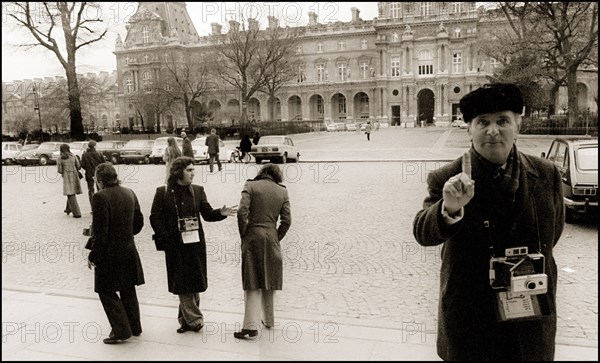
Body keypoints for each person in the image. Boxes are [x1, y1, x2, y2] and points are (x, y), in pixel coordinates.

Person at [412, 83, 564, 360]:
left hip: (531, 318)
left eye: (503, 121)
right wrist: (449, 208)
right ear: (469, 128)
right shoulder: (447, 177)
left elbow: (552, 236)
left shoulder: (547, 174)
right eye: (483, 122)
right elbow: (423, 232)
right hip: (472, 321)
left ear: (518, 124)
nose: (493, 131)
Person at [149, 157, 237, 334]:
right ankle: (195, 320)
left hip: (195, 244)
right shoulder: (163, 192)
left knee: (195, 282)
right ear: (178, 172)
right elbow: (154, 217)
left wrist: (221, 212)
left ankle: (185, 320)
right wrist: (166, 237)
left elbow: (207, 214)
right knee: (182, 282)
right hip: (175, 245)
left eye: (193, 170)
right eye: (189, 170)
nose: (193, 173)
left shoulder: (198, 191)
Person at [86, 162, 145, 344]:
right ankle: (135, 327)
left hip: (110, 253)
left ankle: (120, 330)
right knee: (128, 289)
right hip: (128, 249)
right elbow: (139, 222)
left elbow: (101, 232)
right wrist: (125, 233)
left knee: (105, 290)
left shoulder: (99, 197)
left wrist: (93, 254)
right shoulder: (129, 192)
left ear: (99, 180)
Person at [234, 164, 292, 340]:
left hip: (252, 236)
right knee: (269, 277)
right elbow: (287, 220)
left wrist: (244, 233)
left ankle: (250, 327)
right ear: (276, 177)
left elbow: (241, 212)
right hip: (271, 236)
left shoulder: (250, 185)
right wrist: (276, 236)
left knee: (251, 280)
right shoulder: (282, 191)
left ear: (261, 173)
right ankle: (268, 319)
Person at [57, 143, 82, 218]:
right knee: (71, 191)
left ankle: (77, 213)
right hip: (74, 175)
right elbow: (78, 166)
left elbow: (60, 170)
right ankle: (68, 209)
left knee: (70, 193)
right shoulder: (73, 156)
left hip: (67, 176)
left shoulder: (60, 158)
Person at [80, 140, 105, 209]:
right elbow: (104, 163)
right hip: (99, 173)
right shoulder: (99, 154)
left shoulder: (85, 154)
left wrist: (88, 169)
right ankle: (101, 206)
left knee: (91, 190)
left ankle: (93, 207)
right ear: (94, 146)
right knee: (100, 189)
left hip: (89, 174)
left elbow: (82, 165)